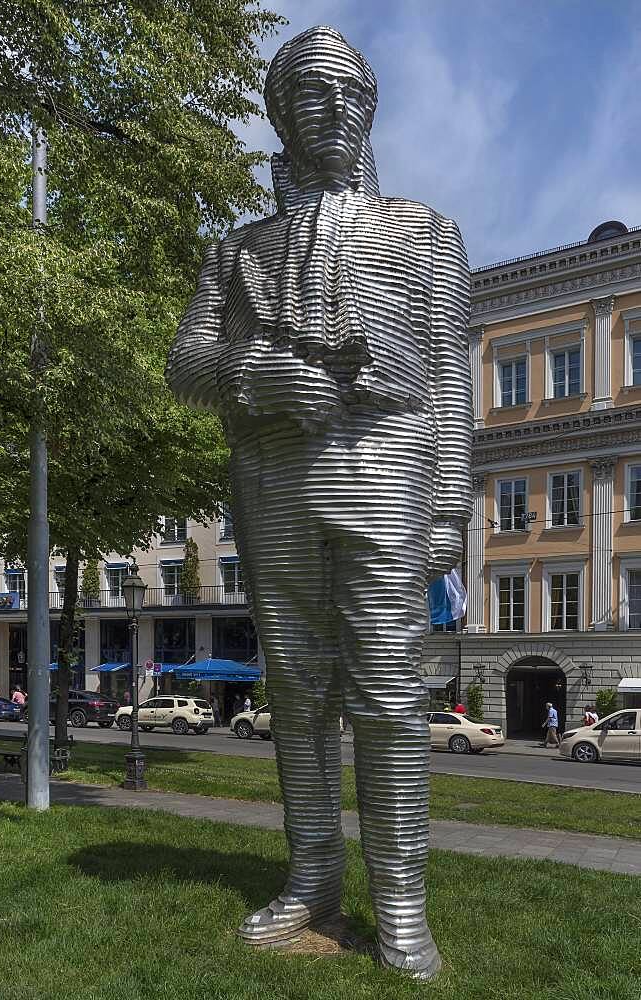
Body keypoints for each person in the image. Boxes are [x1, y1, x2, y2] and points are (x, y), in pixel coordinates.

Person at [167, 25, 471, 981]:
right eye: (311, 95)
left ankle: (402, 897)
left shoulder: (424, 232)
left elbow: (451, 380)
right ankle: (311, 878)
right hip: (273, 485)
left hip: (387, 478)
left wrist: (452, 506)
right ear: (280, 115)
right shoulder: (239, 248)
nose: (334, 112)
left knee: (386, 697)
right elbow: (186, 364)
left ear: (370, 112)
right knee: (295, 696)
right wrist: (254, 372)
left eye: (349, 95)